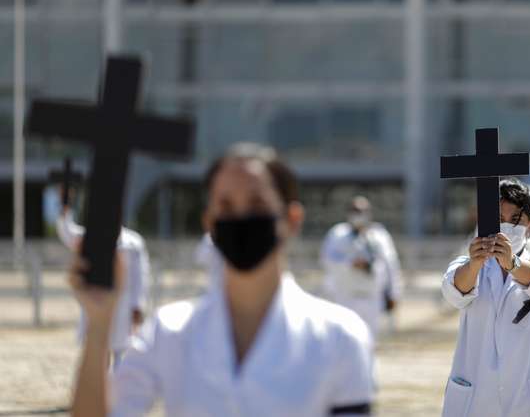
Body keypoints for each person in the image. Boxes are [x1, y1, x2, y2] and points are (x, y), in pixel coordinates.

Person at [69, 143, 374, 416]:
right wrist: (99, 325)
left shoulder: (340, 337)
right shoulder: (170, 332)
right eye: (226, 206)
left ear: (292, 219)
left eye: (256, 205)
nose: (241, 218)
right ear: (210, 223)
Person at [440, 178, 530, 417]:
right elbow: (454, 291)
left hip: (529, 402)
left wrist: (513, 264)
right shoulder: (466, 266)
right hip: (477, 399)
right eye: (498, 218)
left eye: (515, 219)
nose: (506, 226)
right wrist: (475, 264)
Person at [56, 204, 149, 366]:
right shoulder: (89, 236)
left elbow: (141, 277)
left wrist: (138, 306)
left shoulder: (134, 242)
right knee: (99, 349)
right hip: (98, 299)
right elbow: (67, 232)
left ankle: (117, 386)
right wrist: (66, 209)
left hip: (124, 304)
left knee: (122, 352)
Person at [321, 196, 402, 338]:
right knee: (344, 340)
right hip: (345, 297)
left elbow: (390, 265)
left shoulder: (379, 236)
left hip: (371, 297)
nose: (358, 215)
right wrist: (350, 264)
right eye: (355, 211)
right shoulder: (338, 234)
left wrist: (393, 293)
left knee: (369, 341)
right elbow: (327, 260)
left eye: (362, 211)